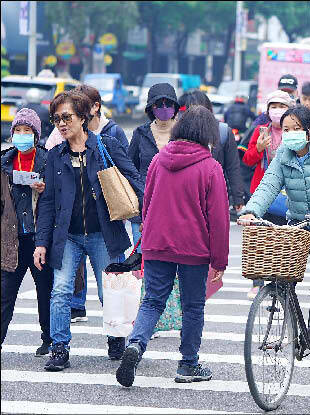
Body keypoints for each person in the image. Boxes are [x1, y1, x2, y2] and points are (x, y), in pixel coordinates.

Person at [238, 106, 310, 384]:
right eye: (285, 129)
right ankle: (292, 325)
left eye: (295, 129)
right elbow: (268, 184)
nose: (289, 135)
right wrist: (251, 210)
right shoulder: (283, 154)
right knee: (282, 276)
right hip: (301, 223)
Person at [115, 105, 229, 388]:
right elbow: (219, 219)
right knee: (192, 306)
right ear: (208, 134)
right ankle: (188, 364)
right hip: (194, 248)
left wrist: (148, 235)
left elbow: (148, 202)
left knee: (153, 300)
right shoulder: (210, 167)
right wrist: (220, 260)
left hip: (157, 243)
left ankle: (136, 345)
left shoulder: (158, 160)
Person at [33, 90, 144, 370]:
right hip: (67, 235)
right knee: (60, 291)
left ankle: (116, 339)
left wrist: (148, 216)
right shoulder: (55, 156)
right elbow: (47, 204)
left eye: (67, 117)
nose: (61, 124)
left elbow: (135, 181)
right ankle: (60, 348)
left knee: (110, 291)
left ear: (83, 117)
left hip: (103, 234)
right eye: (56, 119)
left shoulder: (105, 146)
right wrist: (41, 243)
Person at [128, 83, 183, 334]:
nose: (163, 109)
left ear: (175, 107)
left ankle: (170, 316)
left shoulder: (183, 132)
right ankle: (147, 315)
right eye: (158, 104)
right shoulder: (140, 134)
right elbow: (130, 168)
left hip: (177, 208)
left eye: (168, 104)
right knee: (146, 263)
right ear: (151, 108)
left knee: (176, 263)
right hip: (146, 208)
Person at [1, 108, 53, 356]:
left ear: (36, 134)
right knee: (5, 294)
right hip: (12, 238)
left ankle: (49, 339)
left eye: (27, 131)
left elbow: (57, 197)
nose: (22, 135)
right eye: (18, 130)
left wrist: (45, 189)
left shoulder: (48, 160)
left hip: (40, 238)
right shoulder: (3, 161)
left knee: (46, 292)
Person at [242, 90, 295, 298]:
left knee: (281, 237)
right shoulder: (260, 131)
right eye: (273, 106)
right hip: (261, 192)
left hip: (286, 194)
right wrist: (258, 149)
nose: (277, 111)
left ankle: (278, 281)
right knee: (259, 237)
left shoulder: (294, 132)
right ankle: (257, 282)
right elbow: (247, 160)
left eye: (281, 106)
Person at [178, 90, 245, 212]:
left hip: (216, 195)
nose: (197, 115)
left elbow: (232, 167)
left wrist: (238, 197)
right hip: (187, 196)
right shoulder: (181, 132)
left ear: (209, 110)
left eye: (200, 109)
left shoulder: (223, 132)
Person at [45, 84, 129, 151]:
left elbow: (128, 166)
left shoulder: (113, 133)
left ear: (95, 106)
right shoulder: (60, 131)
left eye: (83, 106)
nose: (62, 123)